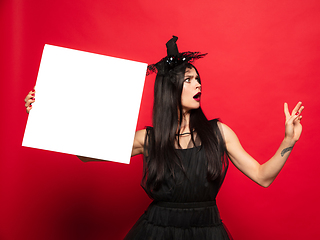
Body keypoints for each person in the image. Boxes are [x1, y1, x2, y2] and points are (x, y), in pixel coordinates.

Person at [24, 36, 304, 240]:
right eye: (189, 79)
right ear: (171, 91)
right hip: (156, 231)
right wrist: (45, 110)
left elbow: (263, 176)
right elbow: (85, 154)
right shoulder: (148, 139)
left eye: (198, 79)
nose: (198, 84)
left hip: (207, 231)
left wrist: (288, 141)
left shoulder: (219, 133)